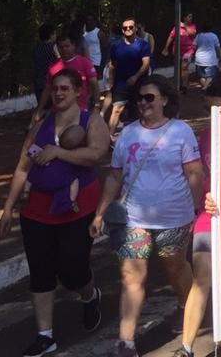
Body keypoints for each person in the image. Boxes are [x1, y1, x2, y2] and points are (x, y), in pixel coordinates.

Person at [91, 75, 203, 357]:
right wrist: (100, 213)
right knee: (131, 276)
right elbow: (114, 177)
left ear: (164, 100)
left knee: (174, 268)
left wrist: (196, 210)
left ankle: (186, 306)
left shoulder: (180, 132)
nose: (143, 103)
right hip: (133, 219)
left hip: (174, 217)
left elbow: (194, 173)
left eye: (149, 97)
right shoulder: (128, 133)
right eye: (139, 98)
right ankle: (126, 342)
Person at [0, 69, 108, 356]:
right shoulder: (41, 125)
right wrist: (8, 206)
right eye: (55, 88)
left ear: (77, 91)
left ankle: (90, 295)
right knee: (41, 271)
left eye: (65, 88)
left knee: (73, 272)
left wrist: (59, 152)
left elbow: (97, 154)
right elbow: (23, 167)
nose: (59, 93)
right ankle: (45, 336)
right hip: (37, 210)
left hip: (77, 208)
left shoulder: (90, 120)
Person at [176, 77, 221, 357]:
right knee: (201, 277)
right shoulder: (206, 136)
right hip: (210, 215)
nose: (212, 114)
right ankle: (186, 347)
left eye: (218, 108)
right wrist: (205, 198)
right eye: (209, 109)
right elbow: (203, 177)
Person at [34, 28, 101, 121]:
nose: (64, 49)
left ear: (73, 46)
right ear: (57, 48)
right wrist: (39, 110)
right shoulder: (53, 68)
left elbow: (94, 84)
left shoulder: (85, 63)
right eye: (61, 47)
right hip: (58, 113)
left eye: (67, 46)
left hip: (80, 111)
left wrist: (97, 105)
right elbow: (47, 89)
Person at [107, 19, 152, 135]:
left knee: (141, 110)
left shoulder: (143, 44)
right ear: (122, 30)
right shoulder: (115, 46)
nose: (128, 29)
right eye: (125, 28)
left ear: (135, 28)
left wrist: (135, 77)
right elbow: (112, 64)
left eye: (131, 27)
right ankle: (109, 136)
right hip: (121, 83)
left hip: (139, 83)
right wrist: (111, 81)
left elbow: (146, 64)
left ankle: (144, 134)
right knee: (116, 109)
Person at [163, 13, 198, 87]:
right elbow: (171, 37)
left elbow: (192, 34)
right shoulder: (177, 27)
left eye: (191, 17)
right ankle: (178, 84)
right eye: (189, 16)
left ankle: (184, 86)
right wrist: (166, 48)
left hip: (188, 51)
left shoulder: (192, 26)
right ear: (184, 18)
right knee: (178, 68)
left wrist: (185, 26)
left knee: (184, 67)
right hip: (177, 51)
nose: (191, 18)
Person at [32, 23, 60, 106]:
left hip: (38, 81)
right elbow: (60, 62)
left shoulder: (37, 48)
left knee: (43, 106)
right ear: (51, 35)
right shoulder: (53, 47)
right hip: (51, 81)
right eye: (54, 33)